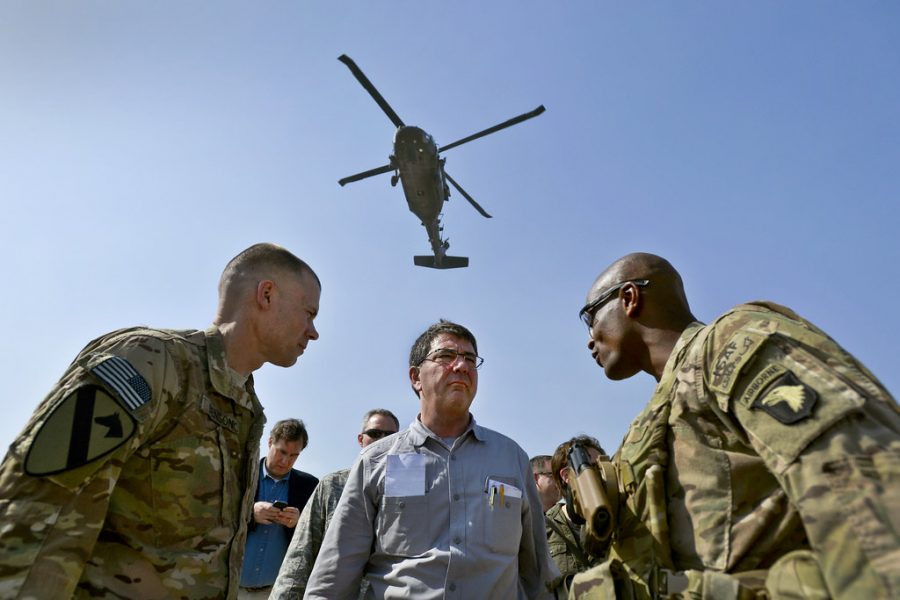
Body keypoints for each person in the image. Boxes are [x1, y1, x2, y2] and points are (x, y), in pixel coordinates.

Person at [0, 242, 321, 599]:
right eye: (309, 313)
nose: (313, 331)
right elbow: (37, 514)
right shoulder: (150, 362)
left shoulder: (245, 407)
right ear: (267, 294)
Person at [571, 252, 900, 599]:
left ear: (629, 299)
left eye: (590, 318)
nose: (590, 338)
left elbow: (854, 471)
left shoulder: (728, 344)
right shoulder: (654, 415)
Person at [304, 320, 559, 599]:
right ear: (416, 377)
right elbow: (334, 576)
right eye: (445, 356)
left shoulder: (511, 459)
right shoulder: (375, 462)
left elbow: (538, 574)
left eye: (470, 359)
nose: (461, 366)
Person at [269, 408, 401, 600]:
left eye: (390, 435)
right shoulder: (332, 485)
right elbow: (301, 553)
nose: (382, 440)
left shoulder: (413, 492)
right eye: (374, 434)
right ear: (361, 439)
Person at [239, 418, 318, 598]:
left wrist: (300, 522)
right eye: (281, 452)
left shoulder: (310, 486)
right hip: (229, 586)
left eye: (293, 455)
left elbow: (319, 536)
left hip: (277, 591)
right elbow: (217, 516)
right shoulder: (240, 472)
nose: (285, 461)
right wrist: (250, 512)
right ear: (269, 442)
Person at [545, 436, 606, 595]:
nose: (602, 475)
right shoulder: (542, 527)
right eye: (592, 468)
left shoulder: (618, 519)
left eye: (604, 467)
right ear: (566, 476)